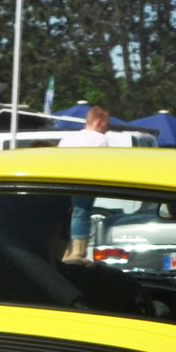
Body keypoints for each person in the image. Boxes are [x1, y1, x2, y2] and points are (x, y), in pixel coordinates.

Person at [58, 106, 114, 261]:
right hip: (85, 181)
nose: (107, 129)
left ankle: (65, 251)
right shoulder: (100, 140)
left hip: (62, 182)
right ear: (98, 121)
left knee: (67, 216)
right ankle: (78, 251)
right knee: (82, 213)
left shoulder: (67, 139)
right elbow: (107, 164)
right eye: (106, 125)